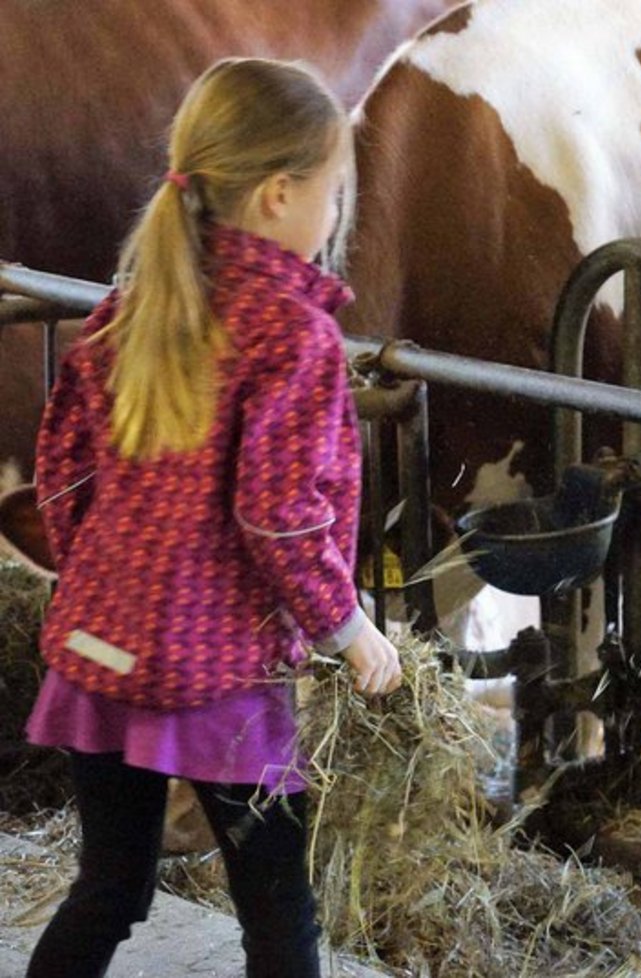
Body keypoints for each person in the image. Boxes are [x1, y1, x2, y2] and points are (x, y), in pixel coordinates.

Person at [24, 57, 401, 978]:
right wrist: (347, 629)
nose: (336, 215)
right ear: (278, 195)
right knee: (281, 916)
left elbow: (62, 476)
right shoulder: (293, 335)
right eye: (333, 192)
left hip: (99, 654)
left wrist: (109, 583)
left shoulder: (126, 307)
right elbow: (278, 515)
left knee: (109, 891)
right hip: (223, 680)